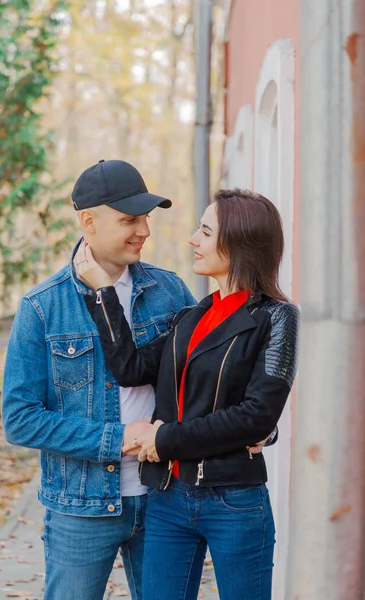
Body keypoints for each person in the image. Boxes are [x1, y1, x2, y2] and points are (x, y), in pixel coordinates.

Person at [75, 188, 299, 600]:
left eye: (205, 231)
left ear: (239, 242)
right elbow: (130, 368)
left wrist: (164, 440)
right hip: (168, 499)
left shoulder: (277, 318)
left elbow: (256, 417)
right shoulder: (190, 316)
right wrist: (102, 293)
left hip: (234, 501)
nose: (193, 239)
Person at [2, 159, 198, 600]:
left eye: (145, 218)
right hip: (80, 508)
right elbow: (20, 419)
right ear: (88, 222)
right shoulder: (42, 307)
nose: (144, 230)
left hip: (166, 498)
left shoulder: (170, 292)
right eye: (129, 219)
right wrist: (119, 437)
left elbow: (202, 377)